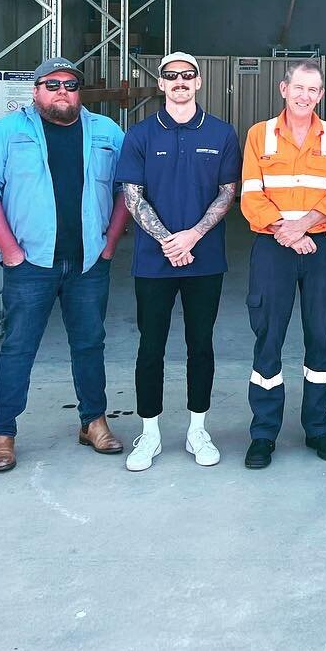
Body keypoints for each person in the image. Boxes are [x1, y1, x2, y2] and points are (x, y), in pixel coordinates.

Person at [0, 57, 130, 472]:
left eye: (71, 85)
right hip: (30, 262)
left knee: (90, 344)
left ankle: (93, 422)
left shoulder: (107, 133)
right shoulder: (9, 131)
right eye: (52, 84)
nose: (63, 91)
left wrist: (110, 242)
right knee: (19, 347)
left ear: (80, 91)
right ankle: (3, 433)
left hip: (88, 262)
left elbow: (126, 190)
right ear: (36, 90)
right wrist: (9, 250)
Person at [116, 52, 240, 472]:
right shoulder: (140, 134)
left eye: (187, 75)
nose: (180, 82)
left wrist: (193, 236)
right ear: (161, 83)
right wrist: (169, 240)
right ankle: (148, 433)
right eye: (171, 76)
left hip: (205, 261)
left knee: (199, 345)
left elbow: (228, 192)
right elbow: (132, 195)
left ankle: (196, 430)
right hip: (154, 262)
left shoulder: (222, 133)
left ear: (199, 82)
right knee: (150, 347)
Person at [239, 60, 326, 468]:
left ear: (321, 95)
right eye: (298, 88)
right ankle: (263, 433)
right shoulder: (260, 135)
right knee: (268, 336)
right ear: (283, 89)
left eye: (313, 90)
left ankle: (318, 427)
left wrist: (302, 227)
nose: (305, 96)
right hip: (273, 247)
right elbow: (251, 195)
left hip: (320, 247)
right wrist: (286, 232)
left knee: (320, 336)